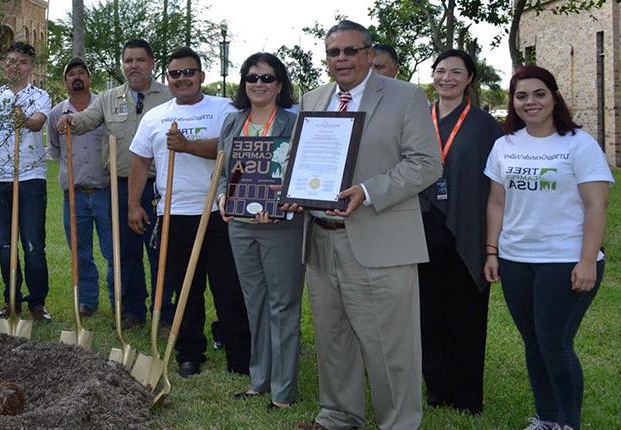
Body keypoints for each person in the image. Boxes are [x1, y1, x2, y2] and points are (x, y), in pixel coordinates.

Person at [291, 20, 440, 430]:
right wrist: (292, 185)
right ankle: (338, 415)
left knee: (390, 346)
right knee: (333, 339)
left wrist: (369, 191)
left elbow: (427, 163)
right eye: (333, 52)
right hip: (321, 240)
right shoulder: (313, 99)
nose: (342, 59)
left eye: (350, 51)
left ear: (369, 54)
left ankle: (399, 423)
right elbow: (300, 159)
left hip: (380, 239)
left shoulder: (406, 97)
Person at [483, 65, 612, 430]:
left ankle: (568, 423)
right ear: (513, 102)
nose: (530, 102)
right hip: (515, 259)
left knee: (554, 343)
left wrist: (587, 260)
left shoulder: (578, 144)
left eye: (539, 93)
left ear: (554, 96)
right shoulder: (504, 145)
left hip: (565, 260)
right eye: (521, 96)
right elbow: (496, 203)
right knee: (533, 343)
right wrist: (492, 251)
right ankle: (545, 418)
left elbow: (596, 206)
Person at [128, 47, 251, 378]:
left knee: (228, 287)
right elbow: (139, 161)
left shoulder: (225, 109)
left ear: (201, 76)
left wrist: (187, 146)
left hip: (220, 210)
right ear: (167, 79)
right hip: (174, 213)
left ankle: (239, 352)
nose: (182, 78)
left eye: (189, 72)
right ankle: (189, 352)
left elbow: (232, 146)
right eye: (175, 74)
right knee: (185, 288)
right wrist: (134, 204)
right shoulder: (154, 116)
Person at [57, 39, 173, 329]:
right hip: (120, 188)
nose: (133, 66)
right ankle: (133, 310)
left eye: (140, 60)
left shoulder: (169, 97)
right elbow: (85, 120)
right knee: (126, 252)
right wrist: (70, 121)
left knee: (162, 252)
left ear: (152, 63)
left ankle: (164, 312)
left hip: (160, 187)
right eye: (128, 60)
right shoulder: (108, 99)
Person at [214, 52, 303, 409]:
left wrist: (283, 202)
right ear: (244, 83)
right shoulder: (233, 123)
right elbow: (223, 173)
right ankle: (259, 379)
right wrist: (222, 196)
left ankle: (283, 391)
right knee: (255, 303)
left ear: (279, 85)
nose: (259, 84)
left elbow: (301, 174)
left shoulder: (292, 124)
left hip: (281, 226)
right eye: (252, 77)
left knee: (282, 305)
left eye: (267, 78)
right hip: (240, 226)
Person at [418, 49, 503, 415]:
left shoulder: (485, 126)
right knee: (427, 317)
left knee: (466, 318)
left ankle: (468, 398)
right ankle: (437, 391)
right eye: (440, 71)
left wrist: (491, 248)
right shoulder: (418, 119)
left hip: (465, 232)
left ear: (470, 78)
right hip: (420, 232)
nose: (447, 78)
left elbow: (498, 188)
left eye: (457, 72)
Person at [0, 42, 53, 322]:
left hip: (30, 178)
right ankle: (11, 299)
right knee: (5, 244)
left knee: (33, 244)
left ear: (30, 65)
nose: (14, 66)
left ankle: (37, 302)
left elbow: (37, 123)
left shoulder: (40, 95)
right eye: (9, 61)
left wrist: (24, 119)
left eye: (20, 61)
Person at [47, 57, 114, 317]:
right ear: (65, 82)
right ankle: (88, 300)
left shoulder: (104, 107)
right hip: (74, 195)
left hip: (104, 192)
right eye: (71, 73)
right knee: (80, 250)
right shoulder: (56, 114)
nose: (77, 77)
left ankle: (117, 298)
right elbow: (53, 148)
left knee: (112, 250)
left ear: (89, 79)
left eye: (81, 73)